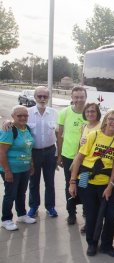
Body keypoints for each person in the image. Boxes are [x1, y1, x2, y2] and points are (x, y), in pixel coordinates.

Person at [69, 109, 114, 258]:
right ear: (106, 120)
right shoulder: (93, 135)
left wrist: (110, 185)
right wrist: (73, 182)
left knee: (111, 215)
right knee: (91, 213)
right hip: (86, 177)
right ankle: (92, 243)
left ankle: (106, 245)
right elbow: (79, 159)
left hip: (105, 182)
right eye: (111, 119)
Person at [0, 105, 36, 231]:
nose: (22, 118)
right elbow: (2, 152)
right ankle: (6, 219)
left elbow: (28, 148)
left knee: (21, 193)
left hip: (24, 168)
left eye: (25, 115)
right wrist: (7, 171)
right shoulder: (9, 130)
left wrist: (31, 164)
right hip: (11, 169)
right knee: (10, 194)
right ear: (13, 117)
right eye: (19, 115)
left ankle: (21, 215)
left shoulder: (27, 129)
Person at [25, 86, 59, 218]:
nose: (42, 99)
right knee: (33, 181)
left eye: (45, 96)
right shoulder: (27, 113)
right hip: (33, 153)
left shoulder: (54, 113)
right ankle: (34, 206)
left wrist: (58, 155)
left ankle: (50, 207)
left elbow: (58, 133)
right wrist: (7, 122)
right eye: (39, 96)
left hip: (50, 152)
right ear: (34, 97)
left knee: (50, 181)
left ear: (48, 98)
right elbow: (15, 122)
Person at [57, 86, 87, 225]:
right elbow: (59, 135)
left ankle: (86, 210)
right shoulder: (64, 112)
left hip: (87, 159)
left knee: (84, 183)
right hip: (68, 156)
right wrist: (59, 155)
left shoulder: (91, 113)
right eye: (76, 97)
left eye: (81, 97)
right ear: (72, 98)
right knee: (70, 183)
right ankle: (71, 213)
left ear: (85, 97)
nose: (79, 99)